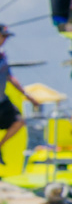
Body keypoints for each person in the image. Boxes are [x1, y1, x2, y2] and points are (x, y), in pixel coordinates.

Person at [0, 24, 41, 167]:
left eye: (6, 37)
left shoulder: (2, 55)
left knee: (19, 121)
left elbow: (10, 77)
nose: (5, 39)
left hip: (2, 100)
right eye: (3, 36)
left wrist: (28, 96)